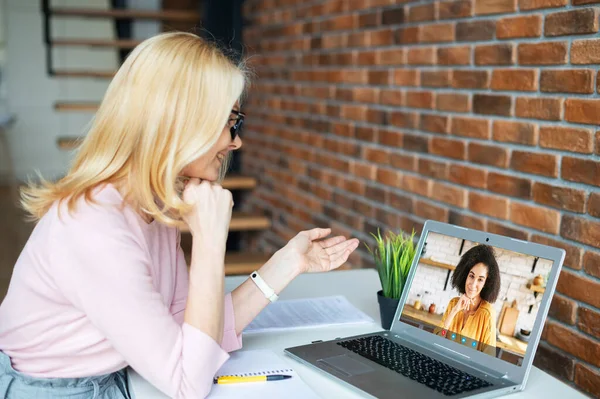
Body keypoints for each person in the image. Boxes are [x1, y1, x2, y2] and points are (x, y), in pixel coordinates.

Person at [0, 32, 359, 399]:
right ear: (181, 123)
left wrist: (286, 264)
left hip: (111, 377)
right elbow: (188, 381)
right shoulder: (95, 228)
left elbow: (194, 333)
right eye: (229, 121)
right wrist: (208, 240)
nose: (236, 141)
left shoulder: (151, 206)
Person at [434, 245, 501, 356]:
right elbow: (436, 341)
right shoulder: (453, 304)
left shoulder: (487, 313)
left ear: (486, 283)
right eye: (471, 276)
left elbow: (489, 359)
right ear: (465, 275)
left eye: (480, 279)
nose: (473, 284)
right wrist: (455, 311)